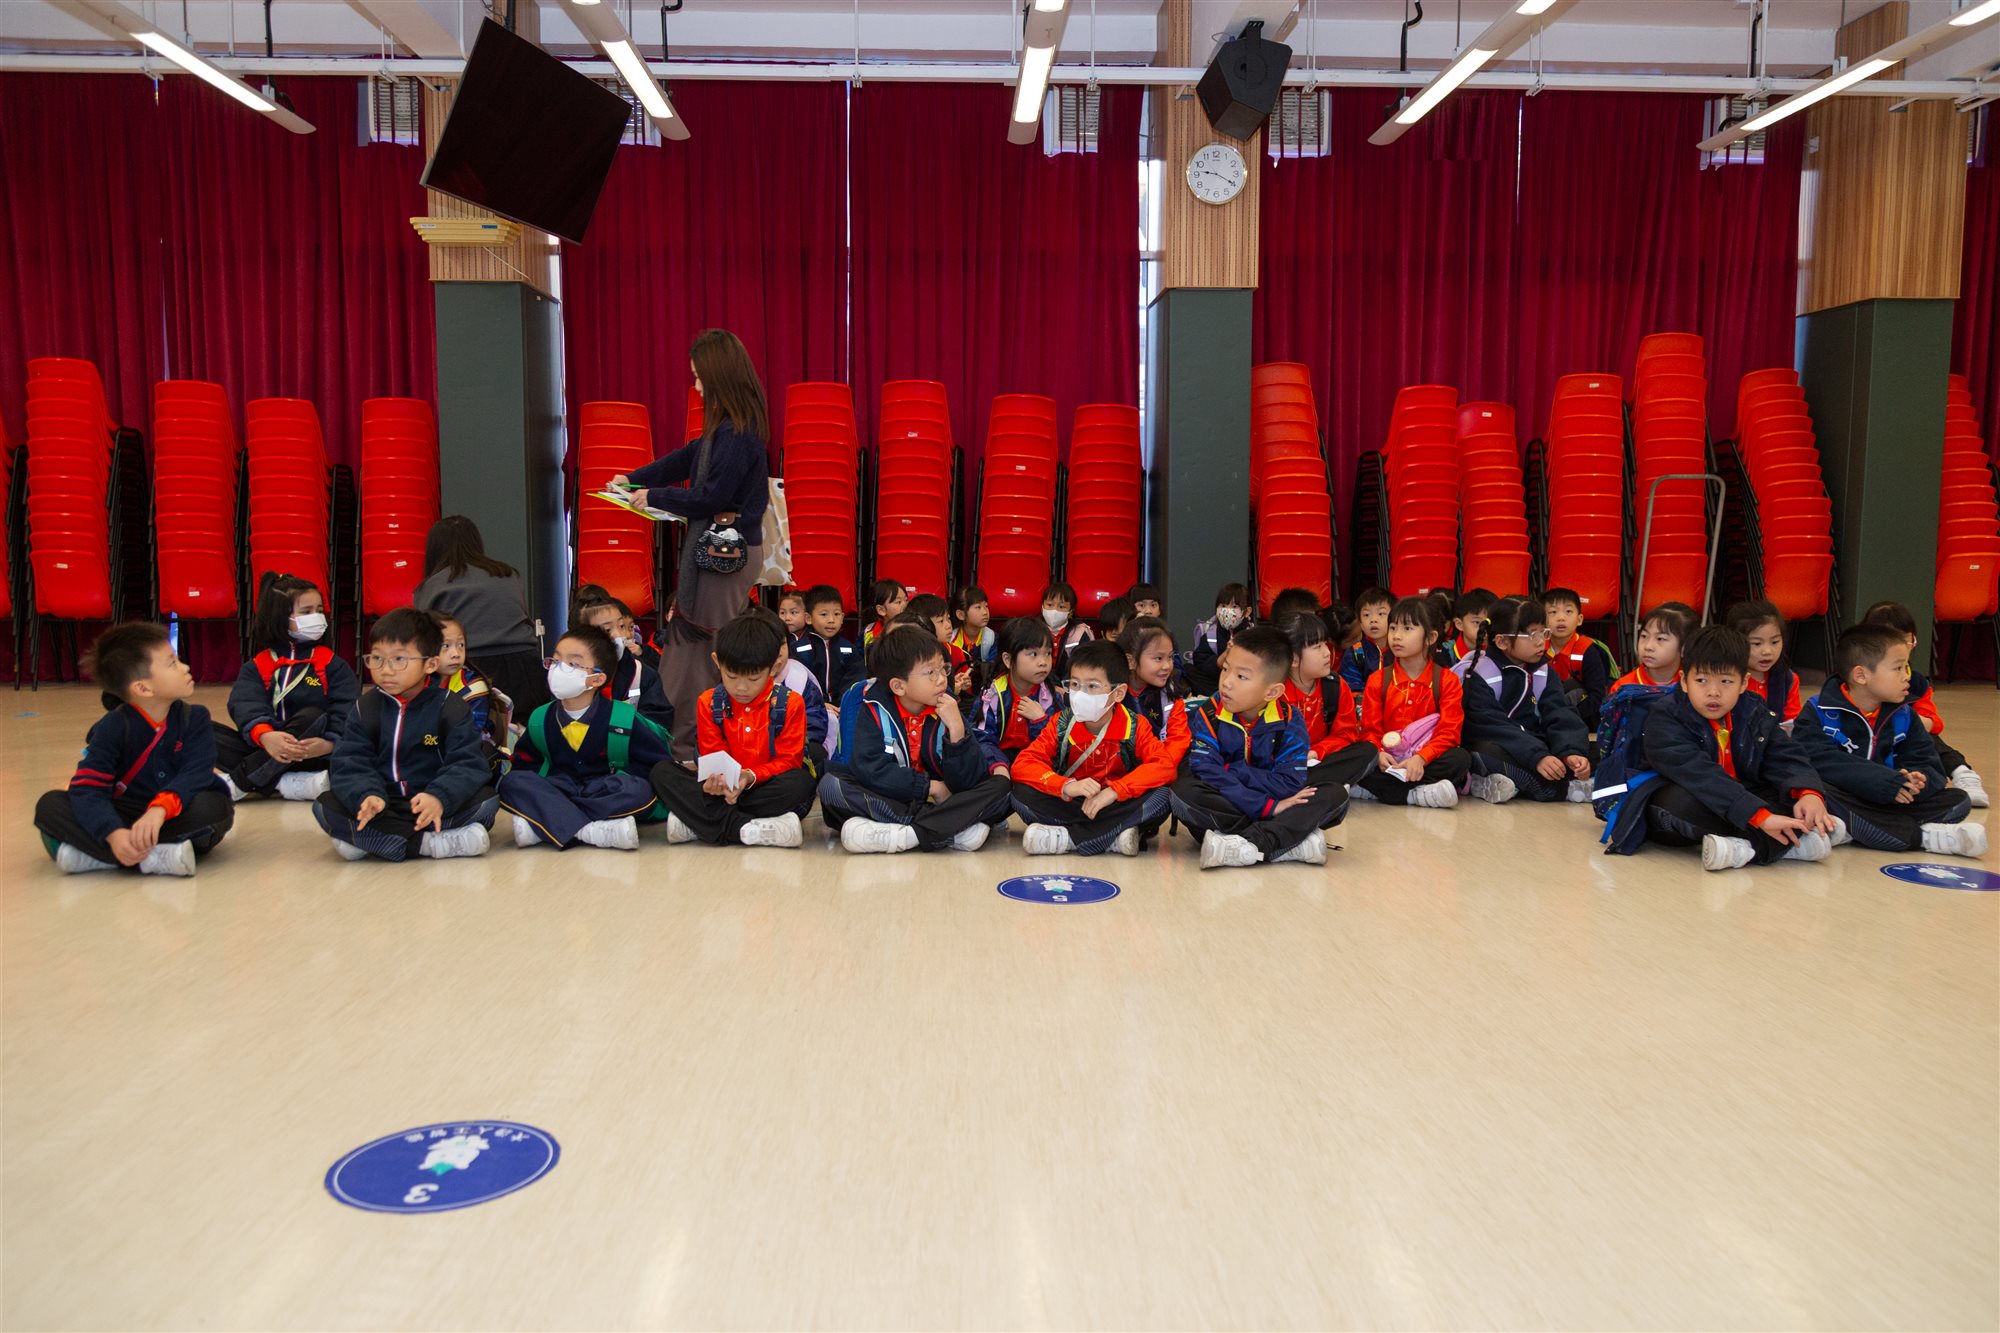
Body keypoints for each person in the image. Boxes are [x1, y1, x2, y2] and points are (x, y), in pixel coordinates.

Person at [608, 329, 773, 761]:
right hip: (716, 554)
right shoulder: (727, 428)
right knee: (689, 652)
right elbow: (687, 458)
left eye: (700, 377)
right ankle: (681, 745)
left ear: (719, 377)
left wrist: (654, 495)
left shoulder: (738, 433)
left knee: (704, 652)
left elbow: (712, 497)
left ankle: (693, 750)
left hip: (724, 557)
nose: (697, 386)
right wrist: (635, 479)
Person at [1601, 626, 1842, 870]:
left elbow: (1784, 754)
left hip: (1736, 797)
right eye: (1701, 680)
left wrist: (1808, 793)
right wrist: (1759, 816)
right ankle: (1779, 842)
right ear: (1684, 681)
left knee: (1801, 794)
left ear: (1743, 682)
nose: (1713, 692)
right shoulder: (1666, 716)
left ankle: (1746, 846)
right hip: (1685, 799)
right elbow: (1700, 775)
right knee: (1678, 805)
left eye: (1726, 681)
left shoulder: (1752, 708)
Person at [34, 622, 233, 877]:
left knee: (215, 807)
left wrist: (160, 809)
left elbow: (197, 773)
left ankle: (99, 857)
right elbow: (88, 788)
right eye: (172, 663)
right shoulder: (112, 727)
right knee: (50, 805)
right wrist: (114, 833)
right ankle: (152, 857)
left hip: (172, 813)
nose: (185, 667)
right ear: (142, 688)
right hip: (123, 814)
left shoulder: (195, 718)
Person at [313, 608, 498, 862]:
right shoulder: (365, 707)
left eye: (399, 659)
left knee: (486, 801)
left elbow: (467, 763)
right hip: (384, 806)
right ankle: (427, 844)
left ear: (430, 664)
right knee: (324, 805)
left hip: (431, 805)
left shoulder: (450, 706)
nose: (386, 670)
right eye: (376, 658)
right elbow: (349, 762)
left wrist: (439, 797)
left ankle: (374, 840)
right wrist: (366, 795)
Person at [1793, 624, 1985, 858]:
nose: (1907, 676)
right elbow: (1816, 760)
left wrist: (1915, 781)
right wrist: (1880, 780)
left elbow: (1929, 764)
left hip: (1887, 797)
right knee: (1822, 793)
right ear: (1861, 675)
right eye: (1898, 668)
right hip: (1844, 794)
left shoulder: (1905, 714)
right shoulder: (1819, 710)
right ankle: (1923, 837)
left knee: (1959, 800)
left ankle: (1859, 827)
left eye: (1907, 667)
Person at [818, 626, 1013, 854]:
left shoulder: (948, 706)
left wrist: (957, 732)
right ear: (899, 686)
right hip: (896, 797)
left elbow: (969, 781)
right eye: (930, 673)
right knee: (831, 785)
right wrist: (930, 787)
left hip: (947, 800)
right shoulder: (873, 710)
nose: (942, 679)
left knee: (1002, 787)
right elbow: (871, 771)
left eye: (943, 669)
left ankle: (907, 834)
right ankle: (950, 829)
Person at [1168, 625, 1341, 869]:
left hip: (1250, 805)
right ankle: (1283, 842)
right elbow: (1205, 770)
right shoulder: (1209, 713)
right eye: (1226, 669)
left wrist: (1232, 770)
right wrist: (1268, 807)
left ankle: (1241, 845)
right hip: (1239, 804)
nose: (1226, 683)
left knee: (1335, 795)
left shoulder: (1289, 720)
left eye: (1242, 677)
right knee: (1183, 792)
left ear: (1272, 692)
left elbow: (1289, 783)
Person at [652, 614, 818, 848]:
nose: (741, 687)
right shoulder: (708, 701)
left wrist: (749, 777)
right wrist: (717, 782)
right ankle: (745, 828)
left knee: (801, 782)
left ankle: (700, 822)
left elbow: (788, 761)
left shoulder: (790, 703)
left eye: (753, 678)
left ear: (774, 668)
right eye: (731, 676)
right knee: (661, 772)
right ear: (717, 662)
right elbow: (712, 754)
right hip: (721, 790)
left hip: (760, 786)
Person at [501, 625, 672, 851]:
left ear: (597, 679)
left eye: (572, 664)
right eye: (556, 661)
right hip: (561, 786)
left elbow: (656, 765)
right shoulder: (540, 718)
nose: (559, 669)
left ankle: (551, 822)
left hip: (606, 788)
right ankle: (589, 830)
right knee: (511, 783)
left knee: (637, 790)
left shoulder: (622, 718)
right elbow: (525, 765)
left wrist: (621, 778)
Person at [1009, 640, 1178, 857]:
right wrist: (1066, 786)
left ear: (1118, 693)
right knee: (1020, 794)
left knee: (1162, 797)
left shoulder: (1135, 726)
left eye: (1092, 686)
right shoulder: (1061, 723)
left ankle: (1068, 838)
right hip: (1073, 803)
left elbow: (1164, 766)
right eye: (1075, 684)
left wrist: (1115, 791)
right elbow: (1023, 764)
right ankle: (1111, 837)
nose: (1080, 694)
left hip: (1115, 803)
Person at [213, 572, 358, 803]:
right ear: (279, 618)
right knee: (199, 725)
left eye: (319, 610)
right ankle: (285, 783)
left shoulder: (332, 664)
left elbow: (347, 709)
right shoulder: (258, 665)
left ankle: (242, 782)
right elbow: (245, 704)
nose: (316, 617)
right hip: (265, 749)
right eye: (306, 612)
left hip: (314, 753)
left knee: (313, 716)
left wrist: (329, 744)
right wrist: (266, 736)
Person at [1456, 595, 1592, 804]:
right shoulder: (1478, 674)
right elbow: (1492, 727)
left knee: (1598, 751)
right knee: (1484, 752)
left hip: (1535, 744)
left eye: (1544, 632)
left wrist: (1571, 752)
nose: (1541, 641)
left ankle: (1508, 784)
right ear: (1502, 641)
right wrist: (1537, 756)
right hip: (1503, 744)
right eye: (1532, 635)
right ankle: (1561, 788)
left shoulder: (1544, 671)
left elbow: (1560, 714)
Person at [414, 514, 546, 715]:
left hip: (470, 668)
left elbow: (424, 637)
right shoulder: (507, 573)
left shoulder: (432, 586)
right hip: (525, 665)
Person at [1861, 600, 1989, 807]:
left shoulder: (1916, 682)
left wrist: (1906, 721)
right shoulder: (1859, 676)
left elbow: (1933, 723)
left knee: (1927, 739)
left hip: (1906, 741)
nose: (1903, 649)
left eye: (1907, 641)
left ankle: (1962, 772)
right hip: (1866, 741)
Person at [1354, 596, 1470, 808]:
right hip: (1388, 759)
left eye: (1407, 629)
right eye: (1393, 628)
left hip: (1425, 759)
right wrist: (1379, 753)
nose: (1396, 636)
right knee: (1359, 756)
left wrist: (1421, 758)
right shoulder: (1378, 679)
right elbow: (1369, 730)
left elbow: (1449, 733)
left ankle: (1380, 790)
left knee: (1460, 758)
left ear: (1430, 637)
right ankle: (1416, 794)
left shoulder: (1447, 680)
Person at [1277, 612, 1374, 804]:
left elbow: (1346, 734)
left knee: (1368, 751)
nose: (1327, 652)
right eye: (1317, 647)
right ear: (1293, 658)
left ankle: (1308, 788)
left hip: (1320, 760)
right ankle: (1325, 787)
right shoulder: (1274, 691)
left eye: (1325, 643)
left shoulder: (1335, 685)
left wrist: (1316, 752)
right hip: (1283, 764)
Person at [971, 615, 1058, 777]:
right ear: (1008, 659)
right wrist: (998, 766)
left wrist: (1040, 721)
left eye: (1047, 653)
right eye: (1033, 654)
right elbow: (981, 737)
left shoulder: (1050, 697)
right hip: (999, 762)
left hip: (1036, 764)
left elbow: (1059, 746)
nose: (1043, 662)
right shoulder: (993, 695)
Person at [575, 597, 676, 733]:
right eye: (607, 630)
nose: (618, 635)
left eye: (621, 626)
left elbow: (659, 724)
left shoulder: (642, 674)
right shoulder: (571, 675)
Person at [1542, 586, 1617, 735]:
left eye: (1568, 611)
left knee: (1572, 688)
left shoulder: (1588, 650)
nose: (1561, 618)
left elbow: (1597, 696)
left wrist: (1568, 716)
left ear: (1579, 619)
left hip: (1582, 716)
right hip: (1547, 711)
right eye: (1553, 612)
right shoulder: (1537, 647)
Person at [431, 612, 498, 760]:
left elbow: (469, 738)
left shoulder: (473, 687)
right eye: (445, 646)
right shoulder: (413, 683)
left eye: (460, 645)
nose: (456, 653)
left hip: (464, 756)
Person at [1726, 599, 1801, 728]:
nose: (1767, 651)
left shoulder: (1788, 680)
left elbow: (1793, 722)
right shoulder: (1726, 679)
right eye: (1756, 643)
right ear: (1735, 642)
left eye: (1775, 642)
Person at [1188, 581, 1252, 697]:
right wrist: (1221, 659)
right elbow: (1200, 660)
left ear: (1247, 612)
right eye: (1222, 606)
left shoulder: (1253, 635)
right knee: (1188, 670)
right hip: (1216, 681)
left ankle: (1232, 695)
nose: (1226, 611)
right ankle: (1219, 695)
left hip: (1241, 681)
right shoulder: (1210, 633)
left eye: (1234, 607)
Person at [1339, 586, 1395, 709]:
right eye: (1366, 615)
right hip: (1367, 709)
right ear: (1360, 623)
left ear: (1394, 618)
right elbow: (1352, 689)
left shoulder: (1402, 649)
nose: (1373, 620)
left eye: (1381, 614)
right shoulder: (1356, 651)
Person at [1041, 581, 1095, 677]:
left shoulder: (1080, 633)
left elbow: (1085, 666)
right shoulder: (1031, 629)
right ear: (1042, 607)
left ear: (1070, 612)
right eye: (1049, 605)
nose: (1054, 610)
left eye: (1061, 607)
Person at [1438, 588, 1497, 669]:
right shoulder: (1443, 653)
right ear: (1459, 624)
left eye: (1490, 622)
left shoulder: (1499, 651)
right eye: (1477, 622)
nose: (1485, 628)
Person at [951, 585, 997, 665]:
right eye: (978, 607)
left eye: (986, 606)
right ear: (961, 615)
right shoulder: (951, 640)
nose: (985, 612)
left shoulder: (992, 638)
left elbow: (992, 667)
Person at [861, 578, 909, 654]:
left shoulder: (914, 630)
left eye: (906, 600)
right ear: (881, 610)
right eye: (898, 602)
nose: (905, 605)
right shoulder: (867, 633)